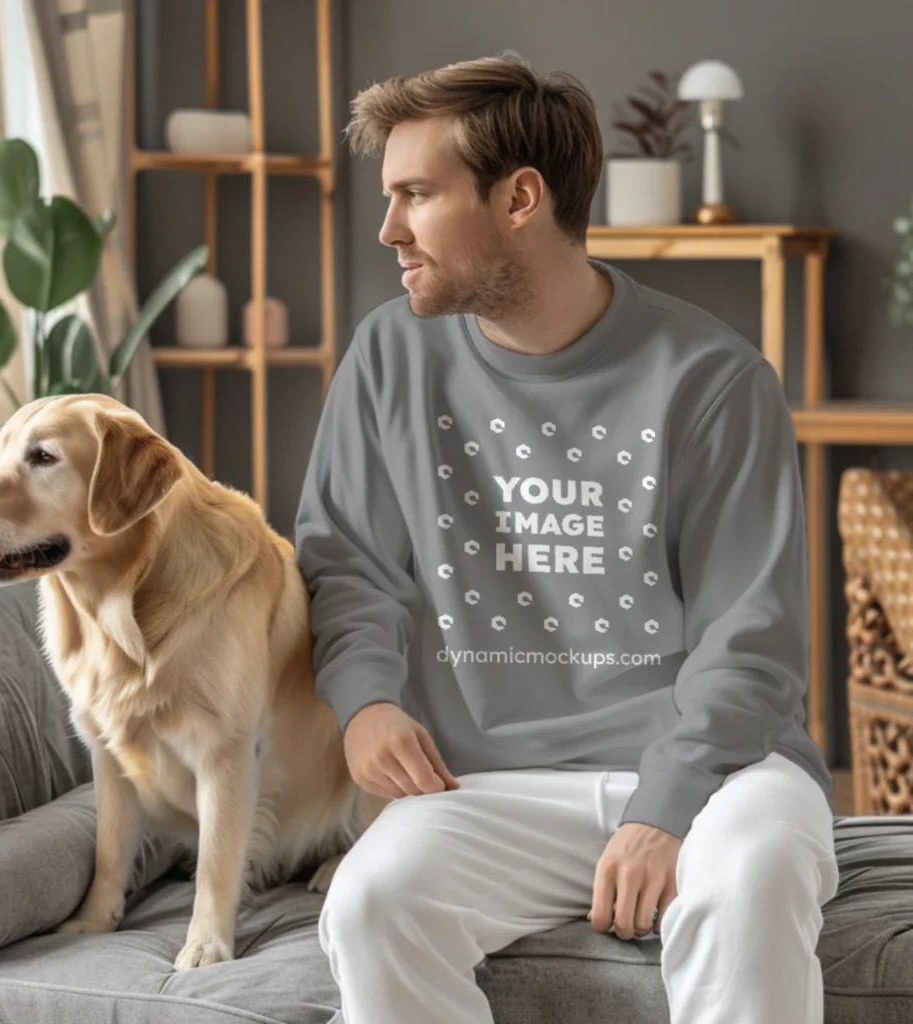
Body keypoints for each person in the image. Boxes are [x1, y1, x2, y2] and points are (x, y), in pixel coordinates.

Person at [293, 51, 838, 1024]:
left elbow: (747, 639)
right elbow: (348, 559)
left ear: (519, 198)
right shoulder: (387, 355)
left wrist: (659, 809)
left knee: (748, 882)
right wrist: (364, 699)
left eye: (416, 194)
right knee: (371, 902)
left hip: (719, 771)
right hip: (489, 779)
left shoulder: (711, 377)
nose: (388, 229)